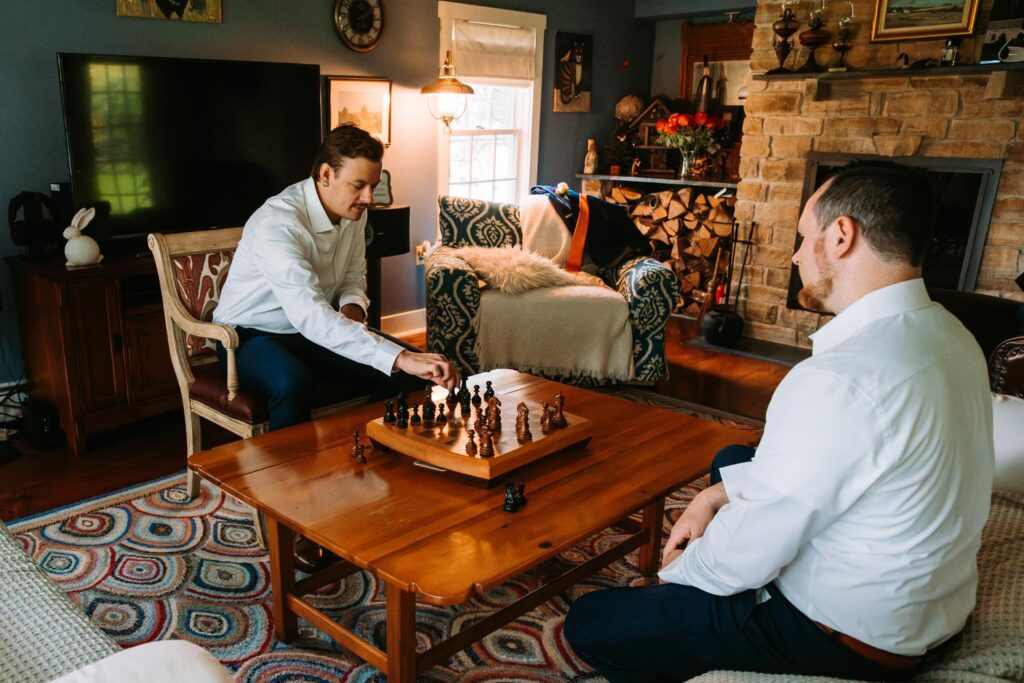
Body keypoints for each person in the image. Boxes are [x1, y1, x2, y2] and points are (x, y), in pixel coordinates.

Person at [564, 161, 995, 682]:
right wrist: (710, 497)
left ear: (841, 236)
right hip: (926, 603)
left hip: (844, 635)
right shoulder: (951, 334)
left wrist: (674, 579)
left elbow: (745, 555)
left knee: (590, 623)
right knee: (730, 462)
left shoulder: (840, 379)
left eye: (803, 237)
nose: (794, 255)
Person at [213, 124, 459, 432]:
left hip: (312, 331)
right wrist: (398, 355)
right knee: (293, 383)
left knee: (409, 373)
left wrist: (352, 309)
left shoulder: (354, 212)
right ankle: (287, 477)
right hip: (248, 336)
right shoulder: (277, 224)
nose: (368, 197)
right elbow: (311, 316)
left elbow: (353, 274)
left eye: (372, 185)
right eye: (358, 185)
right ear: (327, 174)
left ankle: (370, 451)